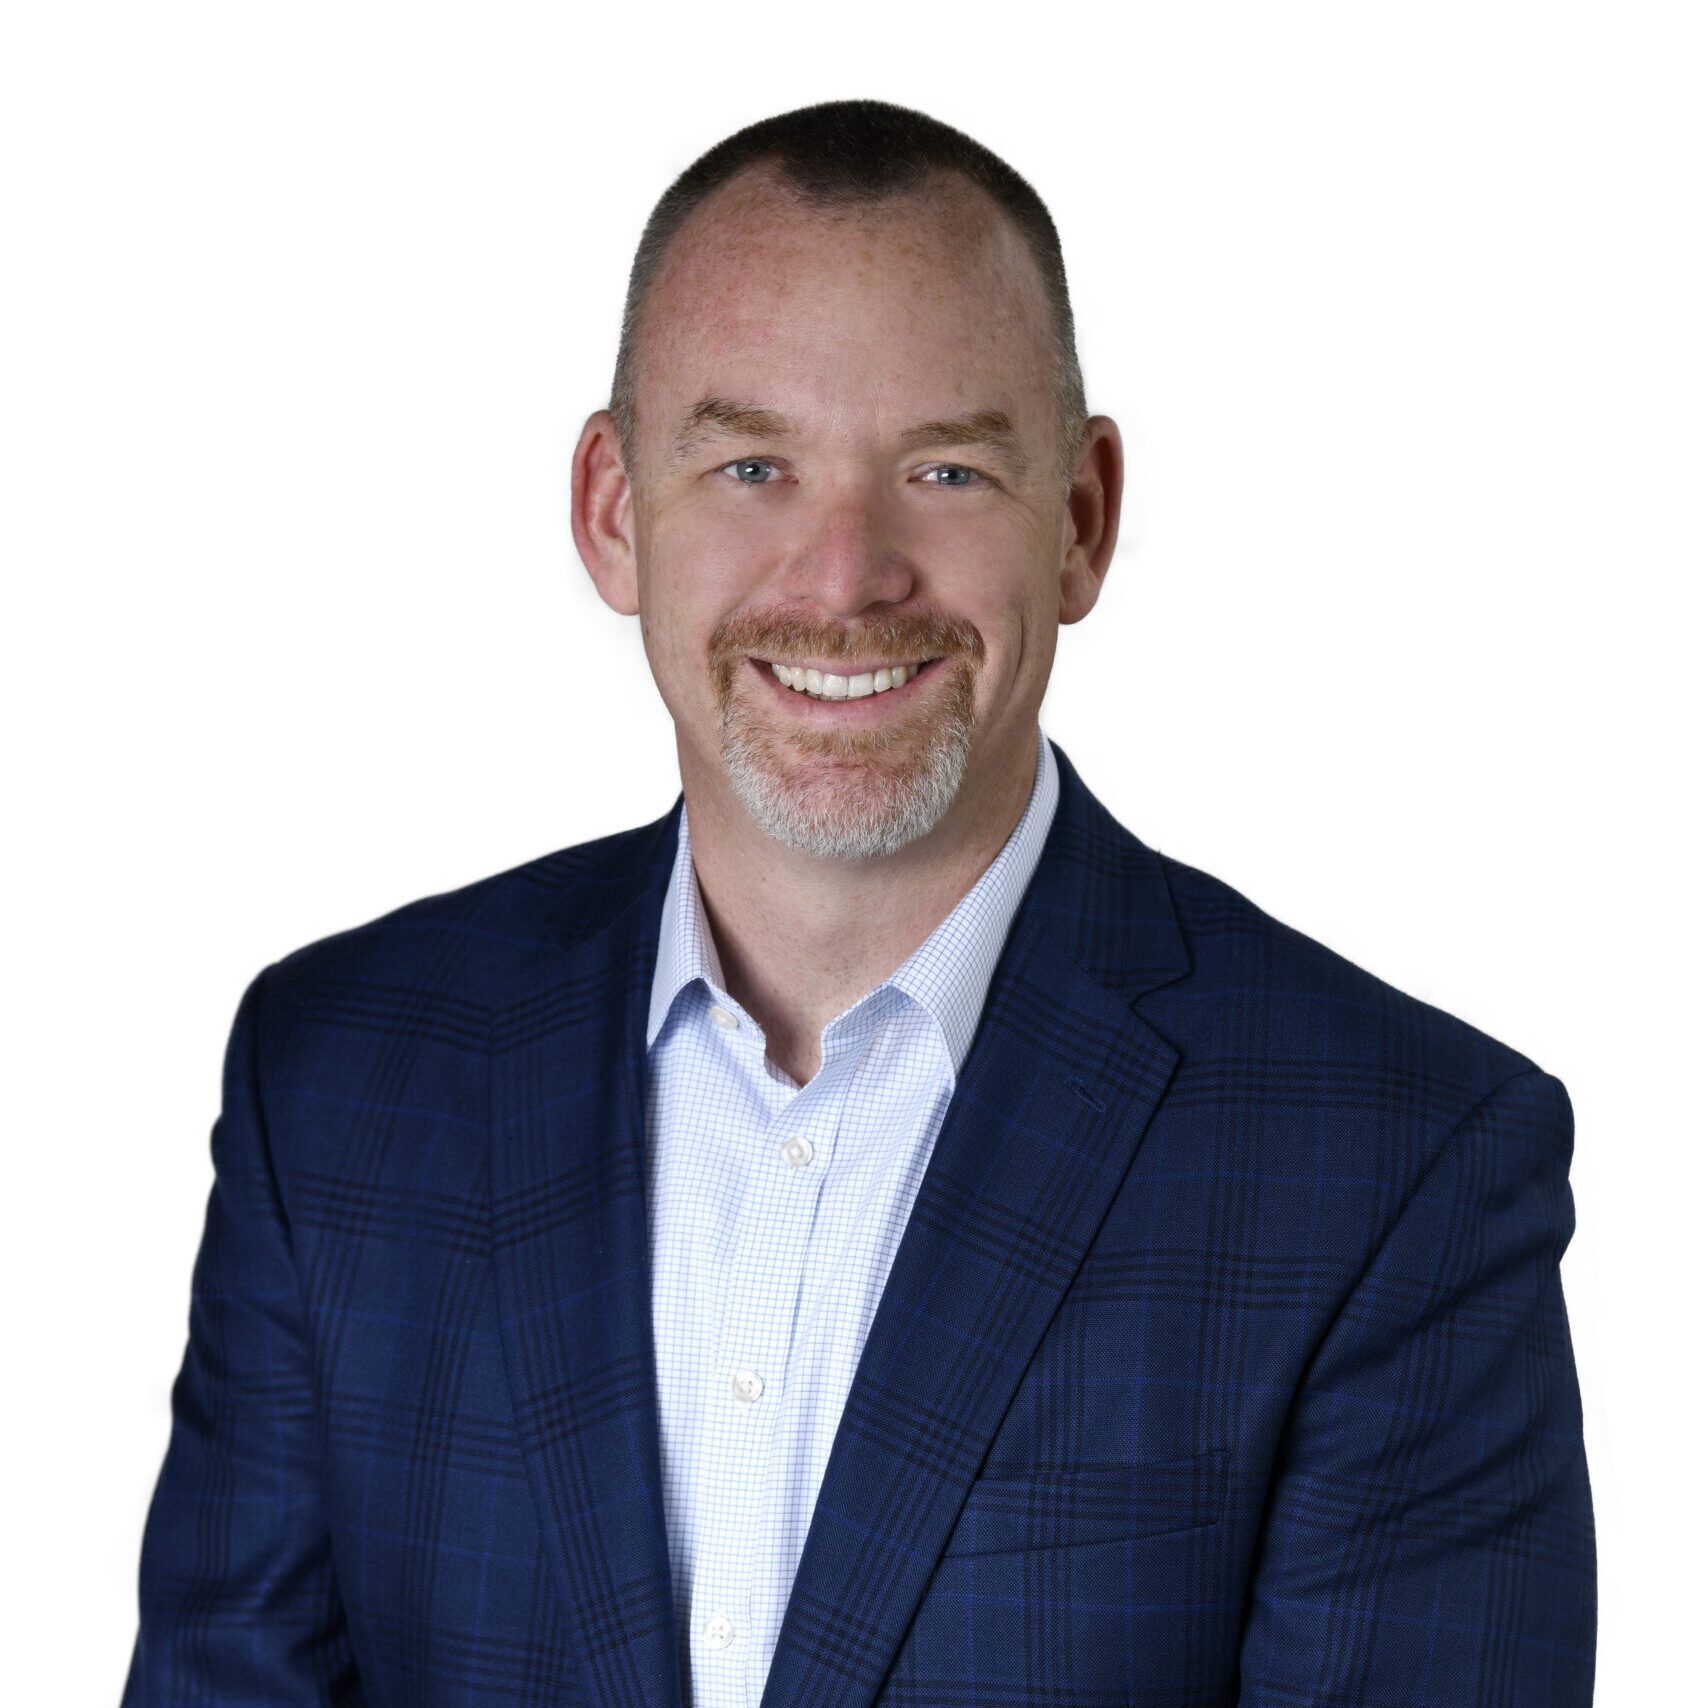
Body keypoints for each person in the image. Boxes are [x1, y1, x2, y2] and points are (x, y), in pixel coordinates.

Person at [122, 100, 1595, 1707]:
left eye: (944, 469)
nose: (843, 577)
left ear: (1083, 521)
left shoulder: (1396, 1161)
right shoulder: (333, 1080)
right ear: (616, 511)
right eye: (750, 464)